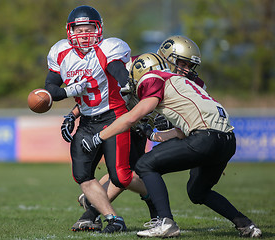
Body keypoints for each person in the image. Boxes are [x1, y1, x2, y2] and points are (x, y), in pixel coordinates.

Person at [80, 52, 262, 238]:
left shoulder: (152, 78)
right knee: (198, 191)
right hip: (227, 141)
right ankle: (246, 224)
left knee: (144, 165)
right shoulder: (184, 83)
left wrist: (98, 137)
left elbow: (132, 117)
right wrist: (153, 134)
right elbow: (181, 132)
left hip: (204, 137)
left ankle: (166, 222)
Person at [66, 35, 208, 231]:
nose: (186, 69)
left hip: (141, 126)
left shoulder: (193, 83)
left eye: (189, 65)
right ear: (167, 57)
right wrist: (73, 114)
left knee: (129, 171)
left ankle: (92, 210)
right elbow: (100, 92)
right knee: (125, 172)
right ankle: (93, 211)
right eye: (182, 63)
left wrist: (168, 121)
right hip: (118, 120)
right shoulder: (137, 65)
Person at [44, 5, 149, 233]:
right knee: (83, 175)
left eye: (88, 27)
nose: (83, 33)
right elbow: (50, 88)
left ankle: (152, 194)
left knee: (121, 176)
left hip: (114, 117)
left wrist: (126, 84)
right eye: (79, 28)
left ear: (98, 28)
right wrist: (72, 101)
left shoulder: (109, 49)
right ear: (69, 31)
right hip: (87, 121)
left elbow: (118, 72)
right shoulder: (61, 52)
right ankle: (113, 219)